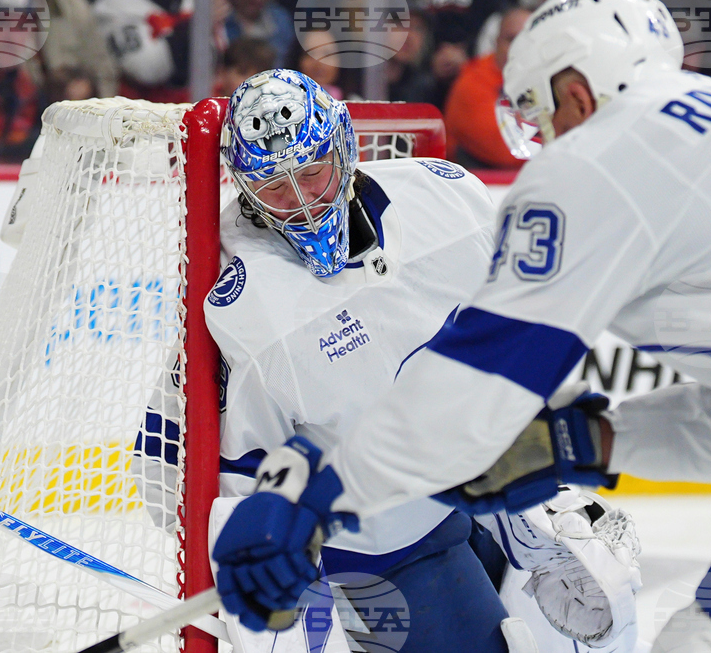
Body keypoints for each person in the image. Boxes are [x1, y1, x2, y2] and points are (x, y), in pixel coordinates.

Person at [211, 0, 711, 651]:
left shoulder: (604, 157)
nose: (542, 141)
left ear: (576, 92)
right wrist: (587, 444)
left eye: (536, 115)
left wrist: (323, 495)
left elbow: (475, 381)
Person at [195, 68, 642, 652]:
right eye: (276, 188)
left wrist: (541, 476)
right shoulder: (246, 307)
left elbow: (517, 348)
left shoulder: (447, 199)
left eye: (311, 173)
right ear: (247, 193)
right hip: (385, 539)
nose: (302, 204)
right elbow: (245, 475)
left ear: (344, 147)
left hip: (477, 490)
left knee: (608, 606)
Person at [443, 7, 532, 169]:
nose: (519, 47)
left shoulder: (548, 79)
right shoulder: (471, 82)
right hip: (478, 184)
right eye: (511, 39)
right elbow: (506, 151)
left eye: (527, 39)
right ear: (496, 42)